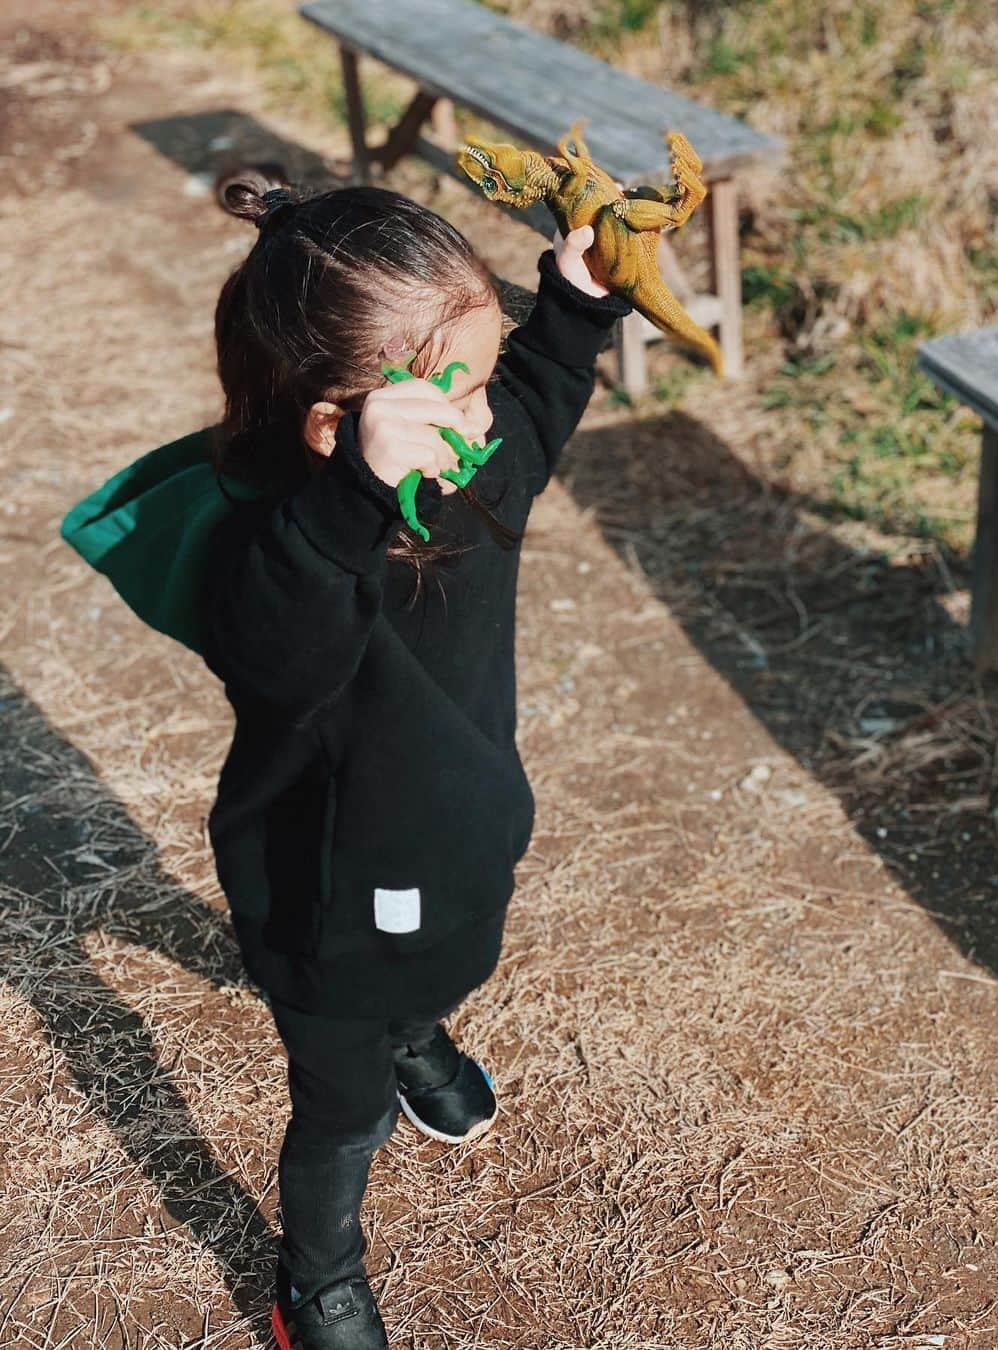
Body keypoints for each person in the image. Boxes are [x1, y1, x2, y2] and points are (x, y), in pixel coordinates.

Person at [200, 171, 632, 1349]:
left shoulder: (474, 466)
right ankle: (318, 1273)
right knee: (340, 1110)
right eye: (462, 395)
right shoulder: (279, 554)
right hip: (329, 898)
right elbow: (278, 656)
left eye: (485, 381)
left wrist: (577, 302)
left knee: (445, 947)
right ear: (338, 430)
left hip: (456, 823)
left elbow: (534, 406)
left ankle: (415, 1028)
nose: (488, 422)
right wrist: (348, 504)